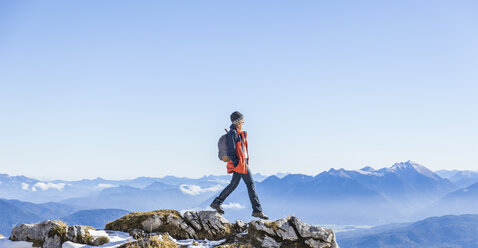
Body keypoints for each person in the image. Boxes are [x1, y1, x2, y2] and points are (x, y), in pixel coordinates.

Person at [210, 111, 269, 220]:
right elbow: (231, 151)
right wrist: (238, 163)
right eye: (242, 120)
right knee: (251, 184)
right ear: (237, 122)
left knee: (233, 184)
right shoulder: (233, 133)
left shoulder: (239, 132)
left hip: (242, 162)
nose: (243, 121)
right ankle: (257, 210)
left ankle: (217, 202)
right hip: (240, 163)